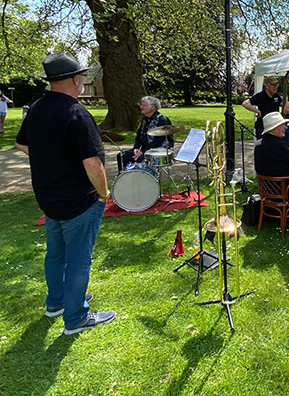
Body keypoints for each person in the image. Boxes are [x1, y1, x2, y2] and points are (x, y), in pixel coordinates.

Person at [15, 51, 115, 335]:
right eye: (82, 76)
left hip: (48, 197)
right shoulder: (76, 112)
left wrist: (51, 158)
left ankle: (56, 302)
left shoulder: (36, 108)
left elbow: (22, 145)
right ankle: (76, 317)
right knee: (78, 258)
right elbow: (93, 163)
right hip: (78, 200)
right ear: (75, 79)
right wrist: (103, 193)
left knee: (56, 254)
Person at [117, 96, 173, 171]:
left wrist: (143, 152)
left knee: (141, 159)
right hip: (145, 149)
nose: (141, 107)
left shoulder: (162, 119)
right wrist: (136, 148)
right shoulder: (145, 119)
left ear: (152, 107)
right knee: (122, 156)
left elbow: (158, 141)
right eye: (141, 105)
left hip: (158, 149)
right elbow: (139, 136)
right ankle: (123, 178)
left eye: (144, 105)